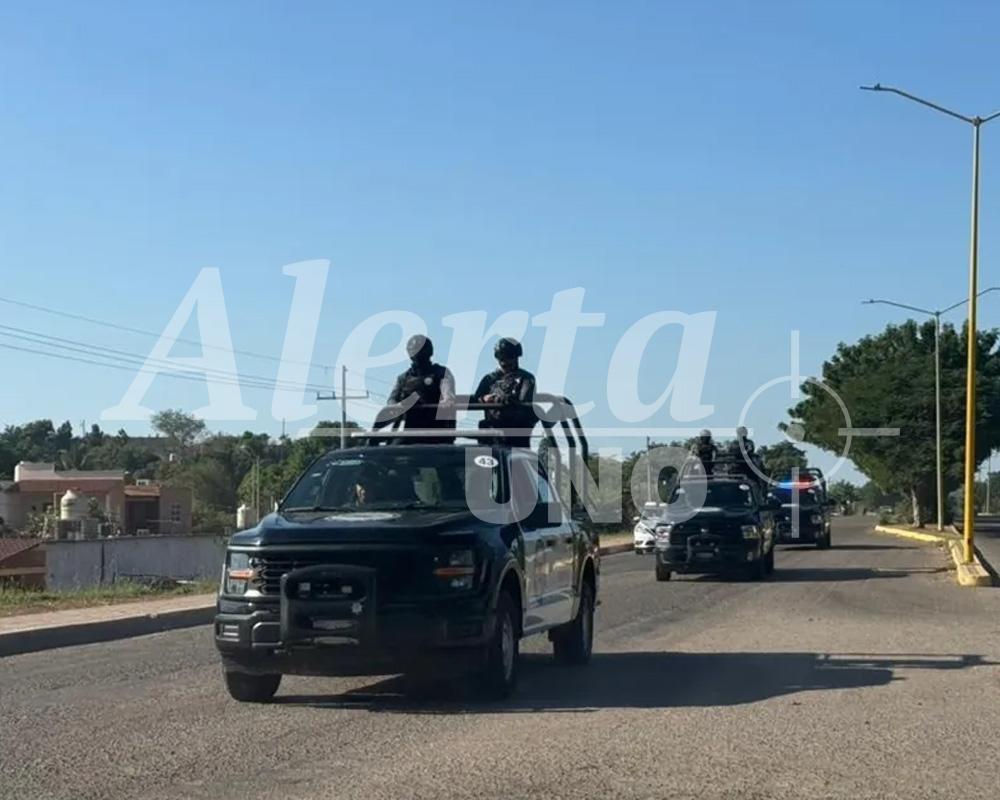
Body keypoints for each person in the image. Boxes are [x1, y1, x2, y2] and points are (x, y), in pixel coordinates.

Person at [379, 335, 456, 443]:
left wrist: (445, 402)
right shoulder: (403, 378)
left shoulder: (441, 373)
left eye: (421, 350)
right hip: (410, 431)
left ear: (429, 352)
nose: (418, 354)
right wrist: (399, 406)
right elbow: (391, 400)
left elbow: (448, 396)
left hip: (437, 432)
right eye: (414, 351)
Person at [473, 337, 537, 448]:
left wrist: (504, 399)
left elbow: (523, 401)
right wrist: (484, 398)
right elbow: (474, 400)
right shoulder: (489, 379)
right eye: (500, 357)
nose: (504, 361)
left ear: (516, 357)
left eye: (509, 357)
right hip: (491, 435)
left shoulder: (526, 378)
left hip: (515, 435)